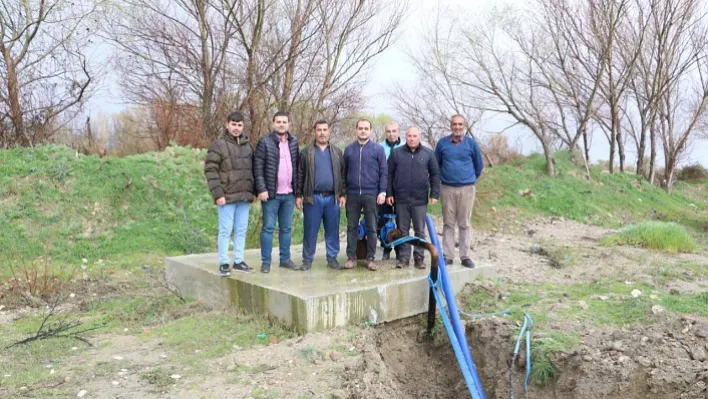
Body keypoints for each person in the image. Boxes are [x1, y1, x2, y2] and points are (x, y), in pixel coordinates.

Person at [204, 111, 256, 276]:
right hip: (226, 197)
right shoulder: (218, 145)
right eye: (233, 124)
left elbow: (253, 170)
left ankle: (239, 261)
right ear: (227, 125)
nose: (236, 128)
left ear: (243, 126)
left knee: (241, 230)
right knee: (225, 230)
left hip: (244, 197)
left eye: (239, 125)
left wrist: (253, 191)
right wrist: (217, 194)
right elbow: (211, 171)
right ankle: (224, 262)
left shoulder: (248, 146)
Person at [295, 120, 346, 271]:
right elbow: (300, 175)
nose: (322, 133)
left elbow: (342, 175)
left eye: (325, 130)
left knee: (332, 230)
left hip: (333, 198)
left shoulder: (337, 152)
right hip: (313, 198)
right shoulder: (306, 152)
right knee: (310, 230)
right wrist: (298, 195)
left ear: (329, 132)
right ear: (314, 132)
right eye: (319, 130)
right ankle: (307, 260)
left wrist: (342, 194)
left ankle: (332, 258)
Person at [434, 114, 484, 268]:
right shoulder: (442, 144)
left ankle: (465, 256)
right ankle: (448, 256)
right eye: (454, 124)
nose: (457, 127)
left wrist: (468, 179)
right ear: (450, 126)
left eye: (460, 124)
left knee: (464, 223)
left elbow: (479, 165)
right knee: (448, 223)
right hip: (447, 188)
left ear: (464, 126)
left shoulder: (471, 144)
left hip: (467, 189)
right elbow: (436, 165)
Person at [386, 126, 440, 269]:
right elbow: (388, 174)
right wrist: (389, 193)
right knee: (402, 230)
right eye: (409, 136)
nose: (412, 138)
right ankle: (403, 258)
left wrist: (434, 194)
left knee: (419, 230)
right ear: (406, 137)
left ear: (419, 137)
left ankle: (419, 257)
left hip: (420, 199)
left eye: (414, 136)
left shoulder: (428, 153)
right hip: (401, 198)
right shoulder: (396, 153)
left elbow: (435, 174)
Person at [254, 111, 300, 273]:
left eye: (284, 122)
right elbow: (258, 168)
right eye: (278, 122)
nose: (281, 124)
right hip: (271, 194)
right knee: (268, 228)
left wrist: (298, 193)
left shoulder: (294, 142)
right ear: (273, 124)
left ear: (289, 124)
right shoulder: (265, 142)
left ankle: (285, 259)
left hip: (289, 194)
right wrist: (261, 189)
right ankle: (266, 261)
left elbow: (297, 169)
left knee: (286, 228)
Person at [343, 119, 387, 271]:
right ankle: (351, 257)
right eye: (360, 128)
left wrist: (382, 191)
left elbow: (383, 172)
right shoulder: (348, 150)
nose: (363, 131)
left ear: (370, 130)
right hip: (353, 194)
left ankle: (370, 258)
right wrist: (343, 192)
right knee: (351, 227)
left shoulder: (378, 149)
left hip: (371, 193)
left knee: (372, 227)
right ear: (356, 130)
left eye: (366, 128)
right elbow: (344, 173)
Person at [378, 122, 405, 261]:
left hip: (401, 191)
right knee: (384, 221)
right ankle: (386, 248)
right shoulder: (379, 147)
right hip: (384, 189)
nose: (391, 134)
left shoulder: (405, 146)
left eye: (394, 131)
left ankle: (400, 250)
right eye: (388, 131)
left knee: (401, 222)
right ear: (385, 132)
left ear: (398, 131)